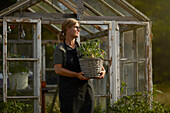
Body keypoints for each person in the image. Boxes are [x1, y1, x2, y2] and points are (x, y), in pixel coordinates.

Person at [53, 18, 106, 113]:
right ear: (67, 29)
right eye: (76, 27)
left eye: (79, 28)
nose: (79, 30)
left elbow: (93, 62)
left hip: (86, 91)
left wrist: (102, 70)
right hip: (69, 92)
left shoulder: (82, 48)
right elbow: (58, 70)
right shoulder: (60, 48)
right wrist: (76, 74)